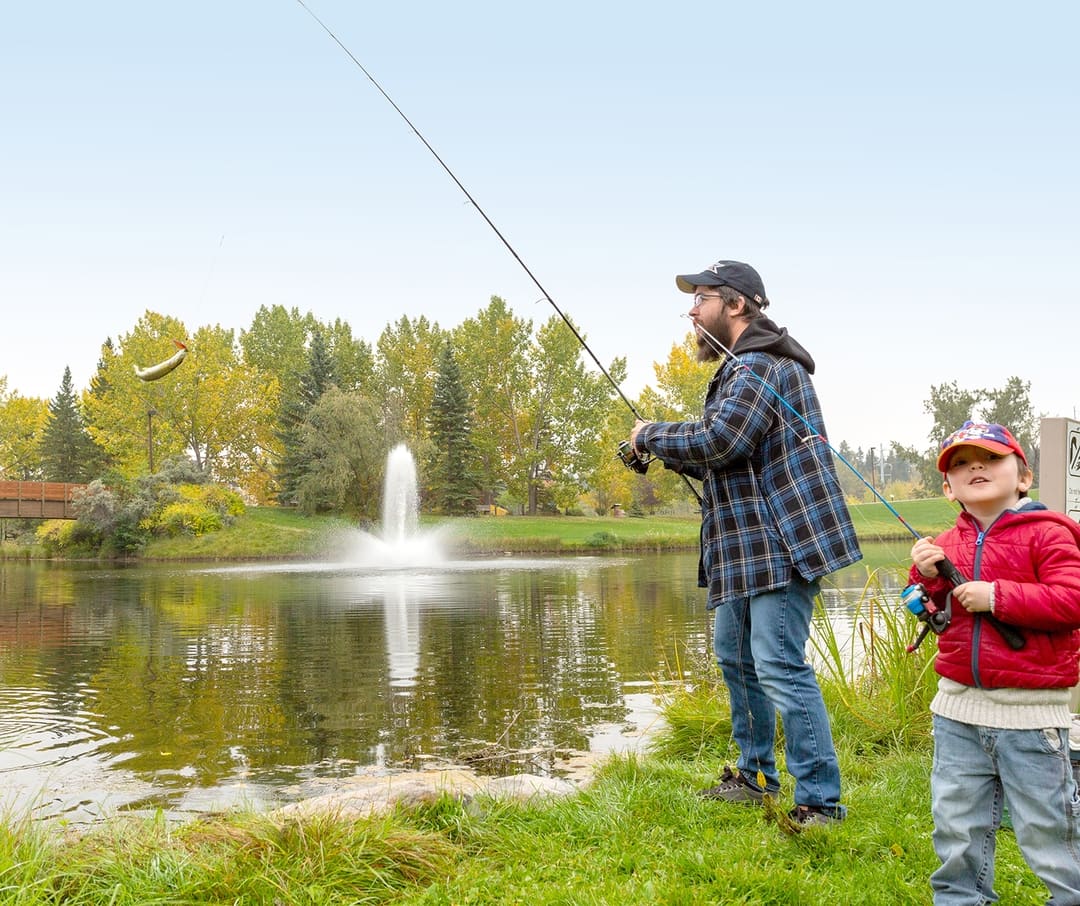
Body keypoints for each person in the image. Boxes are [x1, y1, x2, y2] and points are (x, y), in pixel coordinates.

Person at [628, 258, 861, 828]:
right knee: (737, 660)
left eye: (700, 298)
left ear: (736, 304)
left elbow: (721, 439)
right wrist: (661, 449)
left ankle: (821, 802)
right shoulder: (742, 369)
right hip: (742, 550)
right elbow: (726, 454)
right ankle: (756, 777)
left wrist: (648, 433)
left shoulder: (760, 365)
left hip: (779, 545)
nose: (691, 310)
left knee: (779, 665)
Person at [909, 421, 1080, 904]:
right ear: (948, 488)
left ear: (1023, 477)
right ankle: (960, 898)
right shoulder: (946, 543)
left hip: (1031, 718)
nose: (975, 467)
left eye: (990, 457)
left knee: (1049, 827)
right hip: (957, 713)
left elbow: (1072, 599)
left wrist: (998, 596)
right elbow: (930, 605)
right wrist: (925, 579)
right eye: (960, 464)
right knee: (956, 826)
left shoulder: (1050, 534)